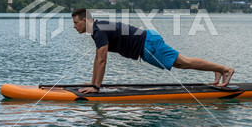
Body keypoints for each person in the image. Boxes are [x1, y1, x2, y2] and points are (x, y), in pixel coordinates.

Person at [71, 8, 235, 94]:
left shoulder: (99, 30)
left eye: (76, 22)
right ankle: (218, 69)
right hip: (148, 43)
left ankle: (225, 69)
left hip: (149, 45)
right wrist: (93, 83)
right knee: (183, 62)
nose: (74, 26)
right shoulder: (98, 28)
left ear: (85, 20)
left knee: (184, 63)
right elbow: (97, 58)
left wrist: (96, 87)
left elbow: (102, 60)